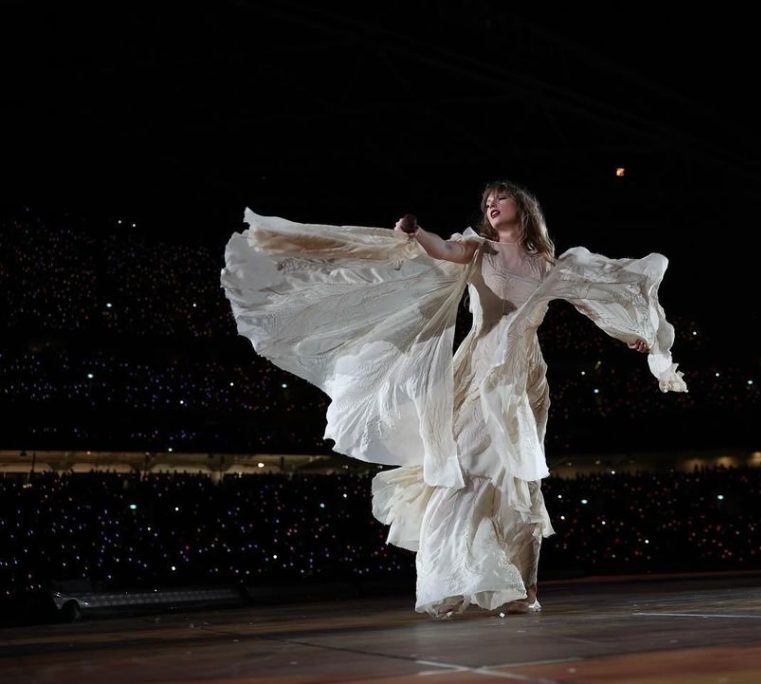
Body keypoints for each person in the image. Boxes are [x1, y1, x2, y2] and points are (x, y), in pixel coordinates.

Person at [220, 180, 687, 618]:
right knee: (463, 469)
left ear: (521, 209)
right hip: (481, 368)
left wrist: (635, 337)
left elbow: (594, 298)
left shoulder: (548, 266)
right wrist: (416, 231)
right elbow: (443, 249)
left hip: (523, 377)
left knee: (519, 480)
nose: (491, 204)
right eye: (488, 200)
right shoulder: (478, 250)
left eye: (501, 198)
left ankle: (525, 589)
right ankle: (454, 579)